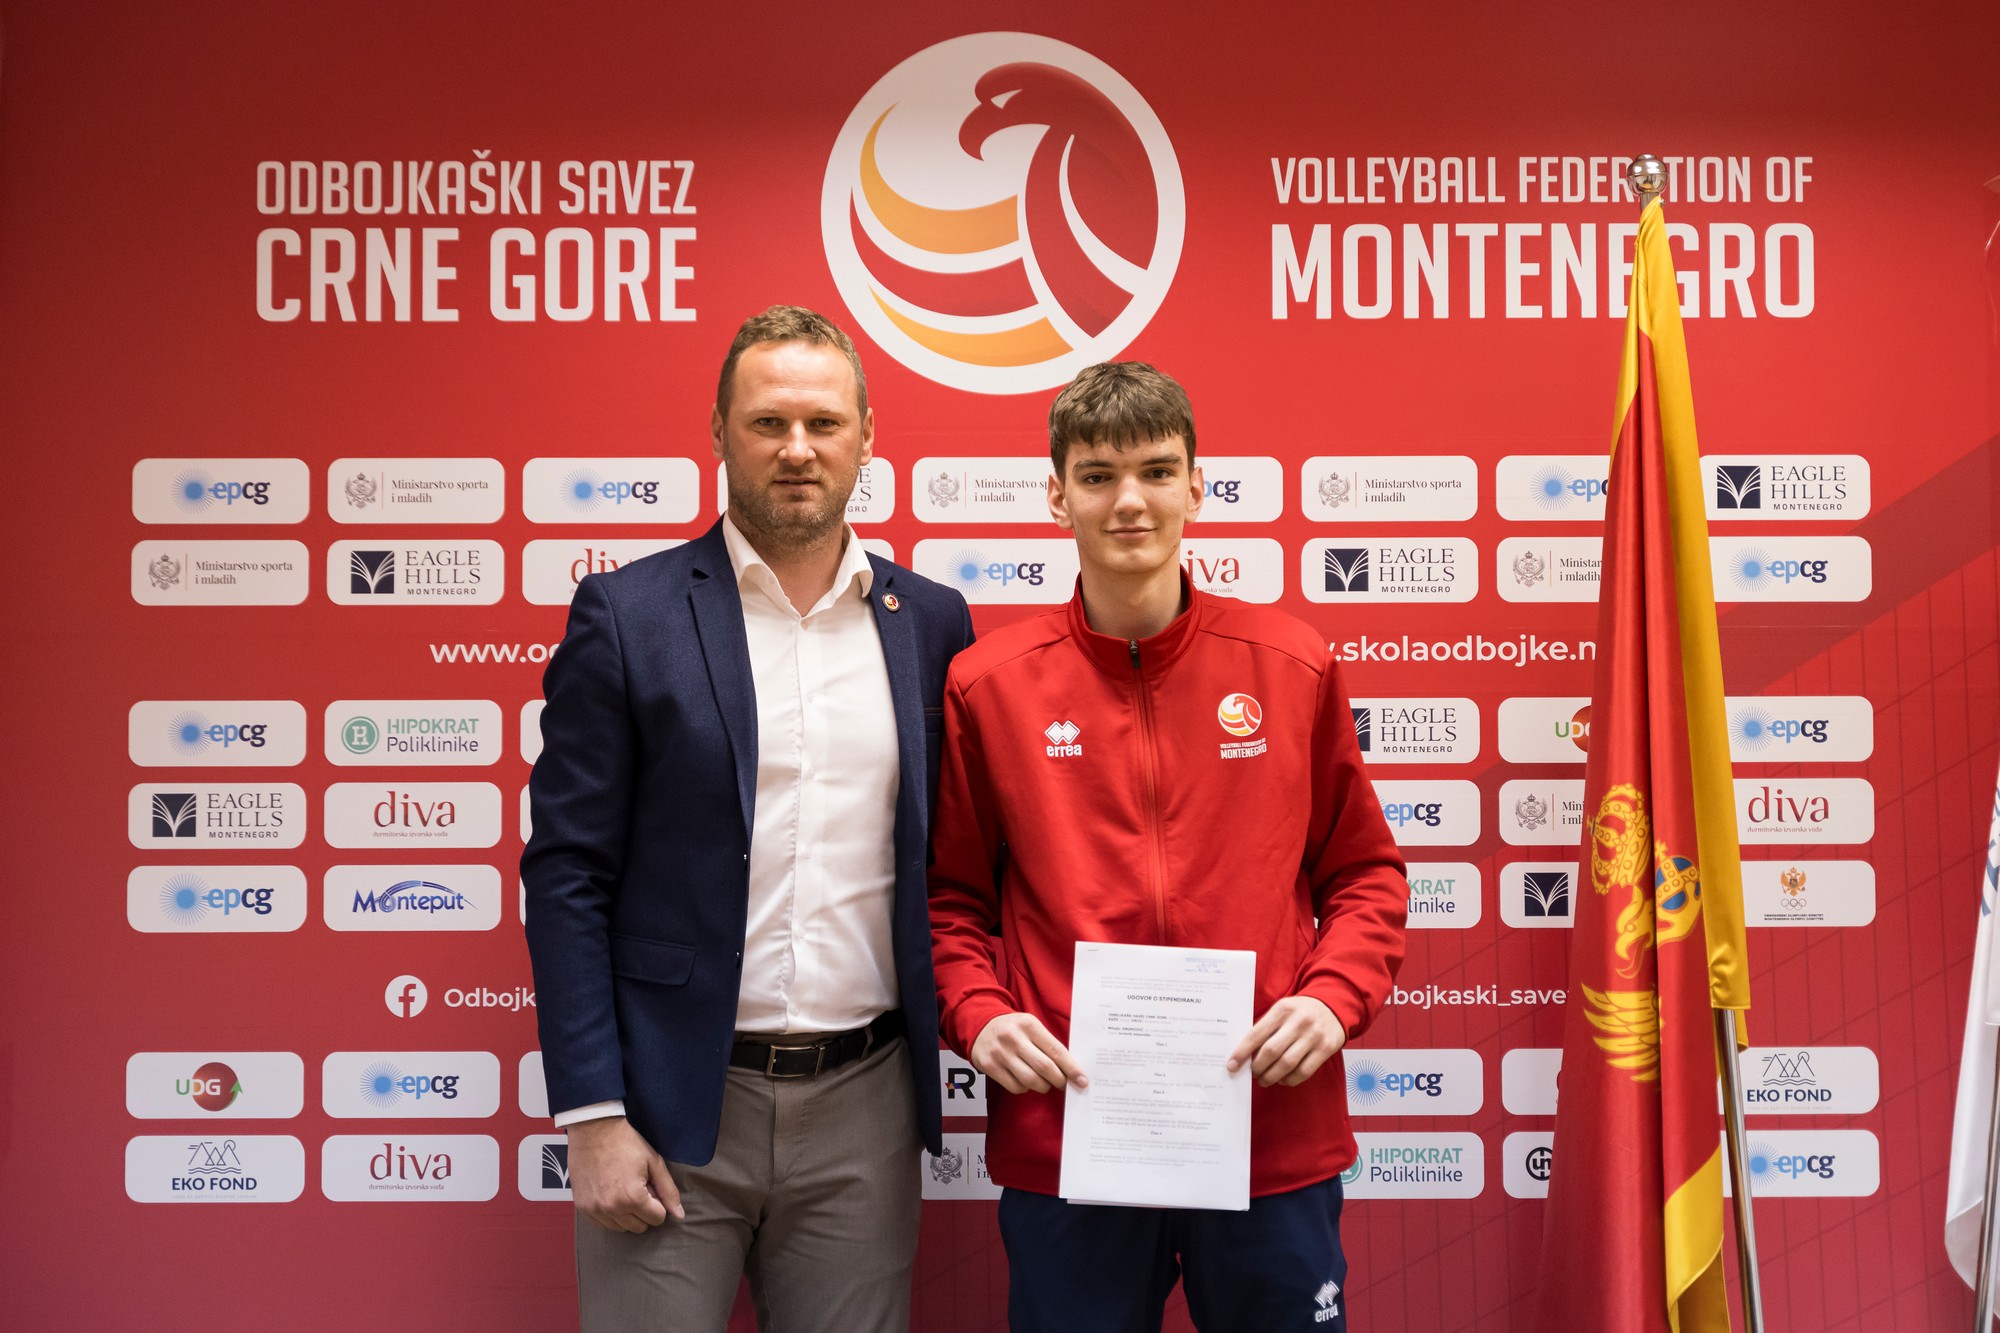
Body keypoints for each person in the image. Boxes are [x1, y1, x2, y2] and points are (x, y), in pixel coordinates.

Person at [928, 361, 1409, 1333]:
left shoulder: (1291, 664)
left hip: (1267, 1127)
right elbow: (952, 903)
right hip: (1073, 1132)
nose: (1129, 500)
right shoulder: (989, 684)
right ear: (1057, 494)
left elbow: (1364, 874)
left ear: (1196, 486)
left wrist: (1330, 996)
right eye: (1098, 475)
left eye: (1155, 471)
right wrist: (978, 1014)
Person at [523, 305, 974, 1332]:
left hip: (864, 1103)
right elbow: (566, 874)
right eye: (768, 422)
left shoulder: (932, 622)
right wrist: (592, 1112)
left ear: (867, 435)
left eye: (823, 422)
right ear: (720, 431)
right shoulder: (628, 616)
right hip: (667, 1101)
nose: (797, 449)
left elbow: (952, 862)